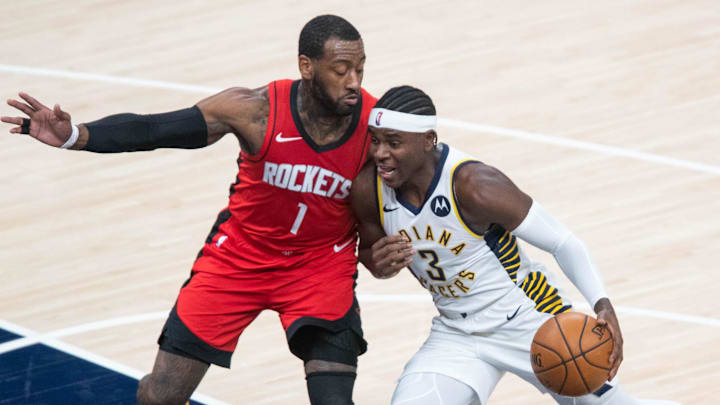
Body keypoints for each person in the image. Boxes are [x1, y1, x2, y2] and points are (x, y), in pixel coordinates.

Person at [2, 15, 375, 405]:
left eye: (361, 68)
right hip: (240, 257)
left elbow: (414, 182)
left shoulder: (376, 125)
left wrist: (385, 252)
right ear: (306, 67)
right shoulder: (255, 110)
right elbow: (155, 129)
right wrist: (77, 136)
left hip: (319, 267)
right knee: (160, 397)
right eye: (341, 70)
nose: (354, 81)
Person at [350, 85, 681, 405]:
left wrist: (603, 306)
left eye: (393, 143)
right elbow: (370, 254)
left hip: (530, 319)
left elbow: (564, 243)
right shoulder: (370, 189)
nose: (380, 153)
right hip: (457, 332)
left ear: (428, 141)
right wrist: (378, 264)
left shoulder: (475, 186)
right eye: (375, 141)